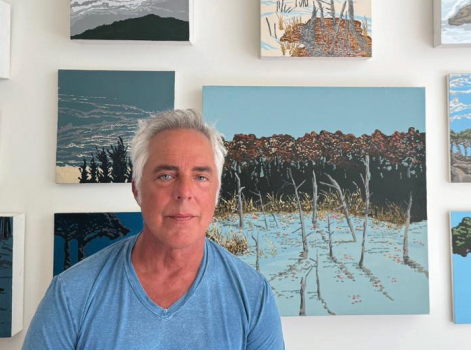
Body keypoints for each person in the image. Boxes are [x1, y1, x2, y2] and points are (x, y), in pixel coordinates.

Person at [23, 109, 284, 349]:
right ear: (137, 189)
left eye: (201, 177)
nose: (184, 193)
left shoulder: (252, 294)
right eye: (166, 176)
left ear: (216, 192)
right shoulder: (71, 293)